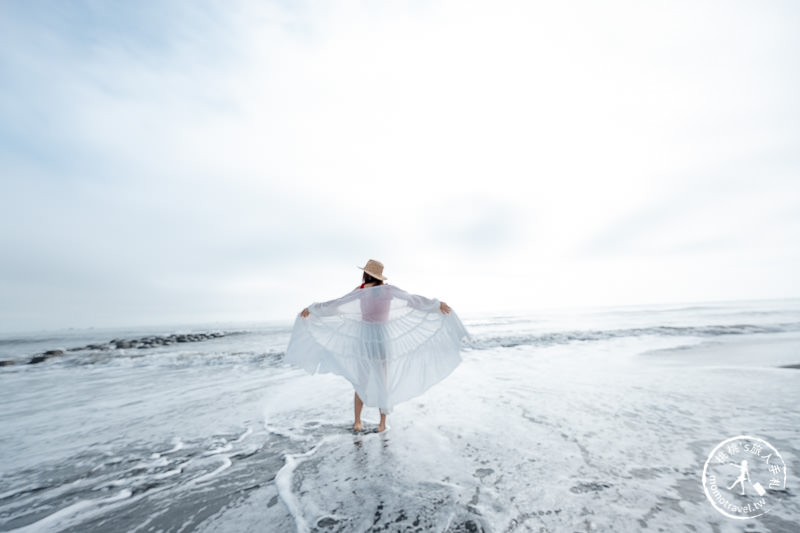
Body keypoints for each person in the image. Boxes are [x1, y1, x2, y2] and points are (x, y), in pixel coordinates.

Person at [286, 259, 467, 433]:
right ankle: (382, 424)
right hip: (382, 339)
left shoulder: (361, 290)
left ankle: (357, 421)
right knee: (383, 381)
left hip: (364, 339)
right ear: (380, 276)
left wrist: (313, 309)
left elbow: (335, 305)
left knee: (360, 382)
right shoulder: (387, 290)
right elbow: (413, 300)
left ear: (366, 274)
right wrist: (436, 305)